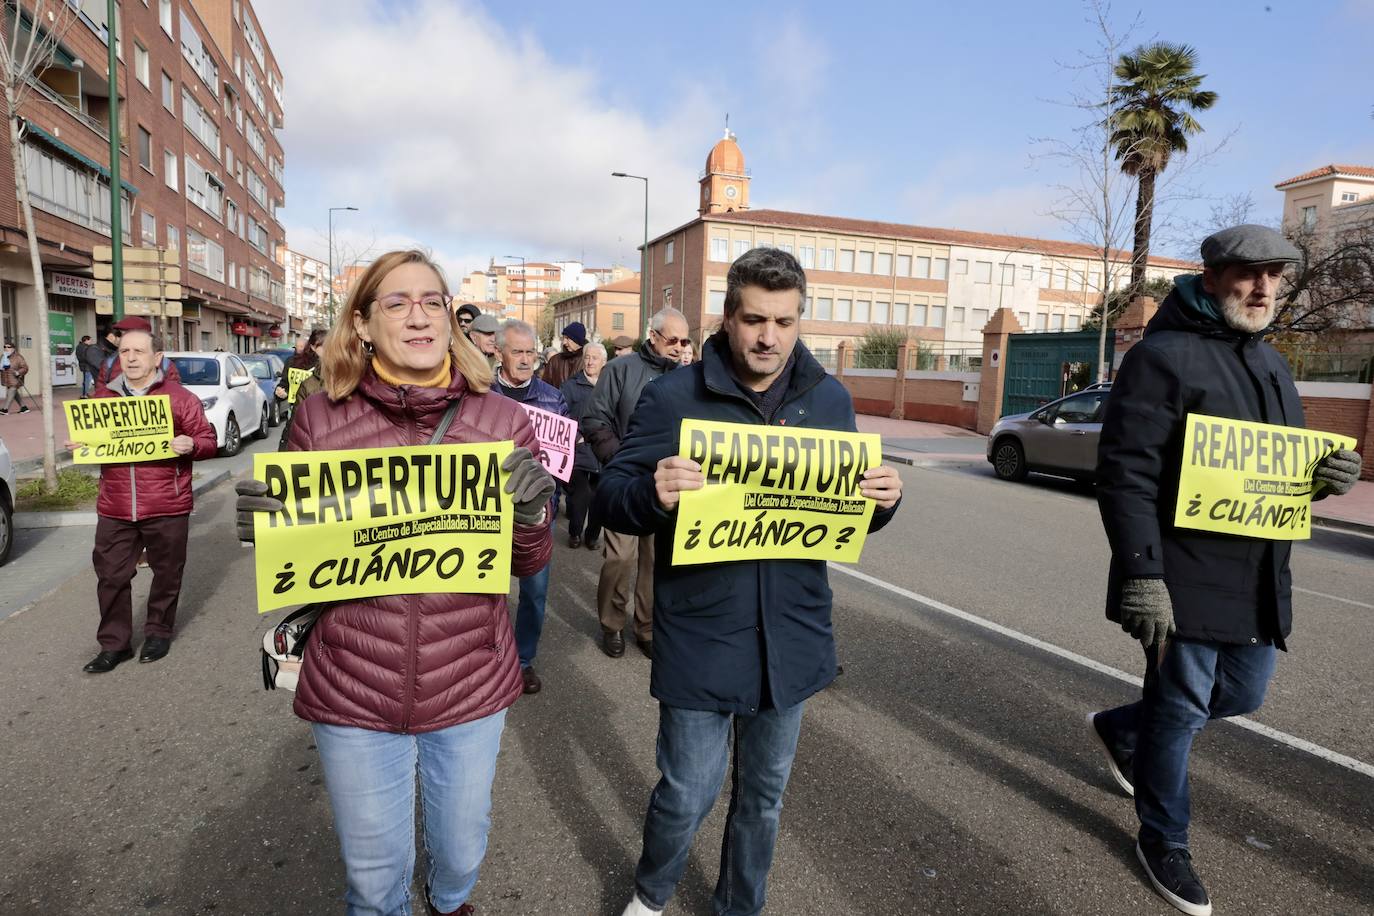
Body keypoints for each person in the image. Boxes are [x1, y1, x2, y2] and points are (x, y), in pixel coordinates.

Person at [235, 250, 554, 916]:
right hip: (355, 687)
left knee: (462, 851)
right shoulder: (319, 419)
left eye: (433, 301)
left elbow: (527, 564)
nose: (419, 316)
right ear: (363, 324)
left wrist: (530, 517)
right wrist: (265, 526)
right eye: (398, 302)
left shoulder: (502, 421)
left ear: (450, 319)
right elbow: (298, 555)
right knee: (375, 882)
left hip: (468, 682)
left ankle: (449, 901)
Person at [596, 247, 904, 916]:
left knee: (763, 799)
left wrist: (883, 502)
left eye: (785, 322)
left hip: (790, 636)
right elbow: (610, 497)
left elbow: (844, 513)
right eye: (755, 319)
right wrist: (652, 492)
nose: (769, 337)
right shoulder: (673, 396)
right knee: (687, 792)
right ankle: (651, 895)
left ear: (801, 320)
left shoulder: (830, 399)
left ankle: (740, 905)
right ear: (729, 317)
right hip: (703, 632)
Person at [1088, 225, 1363, 916]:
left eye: (1274, 274)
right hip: (1181, 574)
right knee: (1179, 711)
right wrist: (1143, 575)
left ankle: (1124, 731)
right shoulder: (1161, 359)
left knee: (1242, 696)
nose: (1263, 286)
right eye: (1248, 273)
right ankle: (1164, 839)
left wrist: (1327, 477)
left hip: (1258, 576)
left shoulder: (1270, 365)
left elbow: (1279, 475)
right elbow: (1125, 475)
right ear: (1211, 277)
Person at [78, 329, 217, 673]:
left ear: (157, 358)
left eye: (140, 351)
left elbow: (208, 439)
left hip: (167, 503)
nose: (132, 357)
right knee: (110, 576)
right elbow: (94, 444)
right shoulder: (102, 400)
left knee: (167, 574)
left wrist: (191, 444)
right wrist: (81, 445)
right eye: (125, 351)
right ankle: (114, 644)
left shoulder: (179, 398)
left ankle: (158, 631)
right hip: (115, 506)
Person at [582, 307, 688, 659]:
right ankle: (612, 624)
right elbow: (595, 418)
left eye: (684, 341)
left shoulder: (689, 379)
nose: (678, 347)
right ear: (652, 335)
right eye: (672, 339)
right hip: (626, 483)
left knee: (656, 561)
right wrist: (618, 463)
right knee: (620, 559)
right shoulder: (619, 370)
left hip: (668, 488)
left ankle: (646, 627)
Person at [490, 318, 566, 695]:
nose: (525, 359)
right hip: (487, 511)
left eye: (531, 352)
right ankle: (490, 659)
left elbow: (563, 456)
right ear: (498, 352)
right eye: (517, 351)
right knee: (488, 589)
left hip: (537, 512)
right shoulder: (478, 394)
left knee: (535, 591)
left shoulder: (553, 398)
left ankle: (523, 660)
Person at [560, 341, 606, 550]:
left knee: (599, 495)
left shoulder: (609, 385)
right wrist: (576, 436)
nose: (589, 361)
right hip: (578, 447)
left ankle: (592, 536)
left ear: (603, 362)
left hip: (603, 448)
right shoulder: (571, 386)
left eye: (594, 358)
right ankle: (575, 532)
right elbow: (560, 412)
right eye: (587, 357)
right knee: (581, 493)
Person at [275, 328, 326, 448]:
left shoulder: (334, 366)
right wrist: (281, 391)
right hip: (297, 410)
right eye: (323, 346)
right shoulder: (293, 362)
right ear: (313, 346)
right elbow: (284, 384)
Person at [540, 321, 586, 389]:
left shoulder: (588, 361)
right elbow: (544, 388)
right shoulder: (554, 360)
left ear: (577, 340)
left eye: (567, 338)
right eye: (563, 338)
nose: (564, 342)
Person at [0, 340, 29, 414]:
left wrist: (18, 372)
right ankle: (24, 407)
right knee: (14, 393)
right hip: (7, 378)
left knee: (11, 391)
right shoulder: (3, 356)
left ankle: (5, 409)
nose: (6, 348)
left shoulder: (18, 357)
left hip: (16, 378)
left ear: (13, 349)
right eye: (5, 347)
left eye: (8, 347)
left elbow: (25, 368)